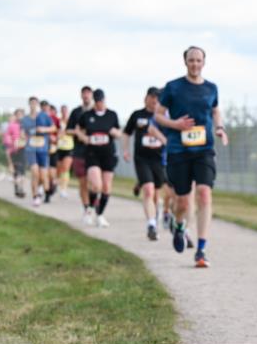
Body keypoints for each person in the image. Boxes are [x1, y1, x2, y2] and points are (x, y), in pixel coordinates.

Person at [154, 46, 228, 268]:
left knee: (204, 194)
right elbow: (158, 115)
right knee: (183, 202)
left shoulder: (211, 88)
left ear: (204, 62)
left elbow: (215, 110)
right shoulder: (173, 87)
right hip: (179, 151)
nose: (195, 64)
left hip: (204, 149)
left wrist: (220, 128)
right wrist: (175, 124)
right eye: (191, 60)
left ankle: (201, 249)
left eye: (198, 60)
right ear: (185, 62)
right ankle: (179, 226)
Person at [123, 87, 168, 240]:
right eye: (152, 97)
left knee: (156, 192)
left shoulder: (164, 117)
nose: (154, 100)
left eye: (157, 98)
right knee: (148, 190)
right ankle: (151, 224)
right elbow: (126, 133)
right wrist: (125, 150)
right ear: (146, 98)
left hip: (159, 160)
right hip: (142, 159)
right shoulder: (137, 115)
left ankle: (155, 216)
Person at [75, 88, 122, 227]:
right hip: (92, 154)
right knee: (96, 185)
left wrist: (115, 132)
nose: (99, 103)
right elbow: (78, 130)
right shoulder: (87, 115)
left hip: (108, 154)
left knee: (106, 187)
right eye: (97, 101)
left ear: (104, 100)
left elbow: (119, 132)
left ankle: (100, 214)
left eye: (101, 101)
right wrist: (84, 138)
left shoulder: (112, 115)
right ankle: (89, 208)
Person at [65, 86, 95, 219]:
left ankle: (94, 204)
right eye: (84, 94)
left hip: (95, 152)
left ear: (92, 95)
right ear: (81, 96)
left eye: (88, 93)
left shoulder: (97, 111)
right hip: (79, 150)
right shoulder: (76, 112)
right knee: (83, 182)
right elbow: (68, 130)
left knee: (94, 182)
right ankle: (87, 208)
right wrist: (78, 132)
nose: (86, 96)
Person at [21, 96, 55, 207]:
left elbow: (53, 128)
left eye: (35, 103)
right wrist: (23, 136)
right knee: (35, 172)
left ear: (38, 105)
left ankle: (44, 190)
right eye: (31, 103)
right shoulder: (25, 119)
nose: (33, 105)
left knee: (43, 175)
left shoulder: (44, 116)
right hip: (31, 150)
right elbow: (22, 132)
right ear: (29, 104)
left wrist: (44, 129)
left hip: (43, 150)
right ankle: (35, 197)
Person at [3, 109, 27, 198]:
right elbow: (7, 138)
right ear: (15, 116)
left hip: (24, 150)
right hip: (14, 151)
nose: (20, 116)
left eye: (21, 114)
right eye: (18, 114)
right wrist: (12, 143)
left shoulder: (27, 125)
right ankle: (18, 189)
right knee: (17, 172)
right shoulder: (12, 126)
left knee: (22, 172)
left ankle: (21, 188)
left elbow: (30, 136)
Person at [55, 104, 74, 198]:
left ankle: (64, 188)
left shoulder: (71, 122)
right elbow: (55, 132)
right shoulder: (58, 121)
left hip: (69, 147)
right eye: (62, 111)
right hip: (59, 147)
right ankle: (56, 182)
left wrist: (66, 132)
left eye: (65, 111)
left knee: (66, 168)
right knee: (59, 169)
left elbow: (75, 133)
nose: (64, 112)